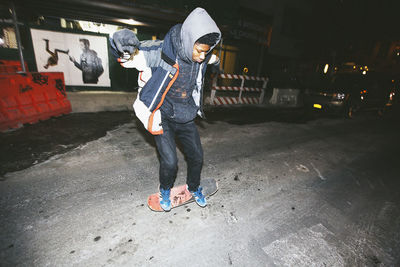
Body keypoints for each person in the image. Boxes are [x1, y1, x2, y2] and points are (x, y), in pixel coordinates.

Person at [110, 7, 221, 211]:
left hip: (186, 116)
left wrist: (215, 60)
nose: (201, 55)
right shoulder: (164, 52)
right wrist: (122, 49)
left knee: (197, 156)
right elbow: (136, 57)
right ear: (188, 41)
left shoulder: (203, 56)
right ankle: (165, 190)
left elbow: (213, 58)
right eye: (199, 50)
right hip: (164, 116)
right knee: (170, 162)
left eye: (206, 51)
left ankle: (194, 187)